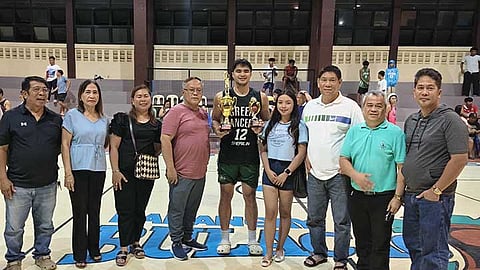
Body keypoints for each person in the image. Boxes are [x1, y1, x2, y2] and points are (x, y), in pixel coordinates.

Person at [402, 68, 468, 269]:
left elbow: (459, 159)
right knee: (415, 246)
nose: (424, 92)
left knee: (434, 250)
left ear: (439, 92)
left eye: (430, 88)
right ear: (414, 92)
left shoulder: (451, 120)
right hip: (411, 195)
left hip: (436, 198)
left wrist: (436, 190)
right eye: (420, 87)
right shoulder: (412, 120)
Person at [302, 65, 364, 269]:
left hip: (339, 175)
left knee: (342, 221)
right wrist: (305, 159)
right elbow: (305, 137)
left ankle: (340, 259)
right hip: (315, 174)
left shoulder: (350, 107)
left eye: (332, 80)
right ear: (318, 82)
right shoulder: (310, 108)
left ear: (339, 83)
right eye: (324, 80)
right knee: (314, 218)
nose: (327, 84)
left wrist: (349, 165)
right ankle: (319, 252)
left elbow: (359, 138)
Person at [0, 76, 62, 270]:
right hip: (18, 184)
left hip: (48, 183)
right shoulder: (10, 117)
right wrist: (2, 177)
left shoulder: (55, 119)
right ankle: (13, 259)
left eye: (44, 90)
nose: (42, 93)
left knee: (45, 225)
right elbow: (2, 148)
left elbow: (62, 147)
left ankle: (42, 255)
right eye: (36, 89)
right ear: (24, 94)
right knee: (14, 227)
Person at [339, 90, 406, 270]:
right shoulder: (354, 132)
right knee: (362, 242)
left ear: (385, 109)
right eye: (370, 105)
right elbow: (343, 160)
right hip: (357, 196)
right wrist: (356, 176)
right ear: (363, 108)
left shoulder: (395, 133)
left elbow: (401, 168)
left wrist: (398, 197)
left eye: (378, 106)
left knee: (380, 244)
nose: (374, 109)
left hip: (384, 198)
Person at [212, 58, 270, 256]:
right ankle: (225, 238)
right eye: (238, 71)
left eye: (246, 71)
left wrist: (260, 127)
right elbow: (215, 119)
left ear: (250, 74)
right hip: (228, 154)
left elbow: (266, 121)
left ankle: (252, 239)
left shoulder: (259, 97)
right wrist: (218, 130)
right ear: (233, 74)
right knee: (225, 196)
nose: (242, 74)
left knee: (250, 196)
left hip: (249, 155)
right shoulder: (222, 96)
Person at [109, 85, 161, 267]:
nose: (143, 99)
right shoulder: (122, 120)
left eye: (146, 96)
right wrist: (115, 171)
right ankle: (123, 247)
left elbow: (157, 148)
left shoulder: (156, 124)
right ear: (132, 100)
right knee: (125, 210)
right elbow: (113, 147)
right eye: (138, 96)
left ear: (150, 99)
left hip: (145, 173)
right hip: (124, 173)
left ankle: (136, 242)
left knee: (140, 209)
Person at [161, 77, 210, 261]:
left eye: (198, 90)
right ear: (184, 92)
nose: (196, 93)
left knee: (192, 208)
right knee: (177, 208)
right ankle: (176, 241)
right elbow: (165, 139)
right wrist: (170, 167)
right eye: (192, 90)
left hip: (200, 172)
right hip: (181, 172)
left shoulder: (204, 113)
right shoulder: (175, 112)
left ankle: (188, 237)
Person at [61, 79, 108, 268]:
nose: (91, 96)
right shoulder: (72, 115)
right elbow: (65, 144)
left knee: (94, 211)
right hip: (78, 169)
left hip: (98, 169)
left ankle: (94, 249)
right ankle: (79, 253)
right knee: (80, 212)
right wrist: (68, 172)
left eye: (95, 92)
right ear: (81, 95)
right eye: (88, 92)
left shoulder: (104, 118)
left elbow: (105, 144)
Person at [258, 90, 308, 267]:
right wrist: (268, 169)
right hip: (270, 171)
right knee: (270, 212)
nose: (283, 106)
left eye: (288, 102)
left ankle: (280, 248)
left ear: (294, 104)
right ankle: (269, 251)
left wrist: (286, 172)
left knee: (285, 213)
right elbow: (263, 149)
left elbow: (301, 153)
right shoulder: (269, 125)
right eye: (280, 103)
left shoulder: (300, 126)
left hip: (288, 172)